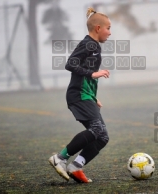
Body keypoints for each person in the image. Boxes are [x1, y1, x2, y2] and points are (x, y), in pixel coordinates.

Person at [48, 7, 111, 183]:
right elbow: (70, 64)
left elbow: (83, 73)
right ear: (98, 28)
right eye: (108, 28)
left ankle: (76, 166)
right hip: (78, 96)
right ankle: (60, 158)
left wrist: (93, 96)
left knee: (102, 136)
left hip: (85, 95)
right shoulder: (88, 44)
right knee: (97, 130)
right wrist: (93, 74)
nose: (110, 32)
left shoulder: (94, 46)